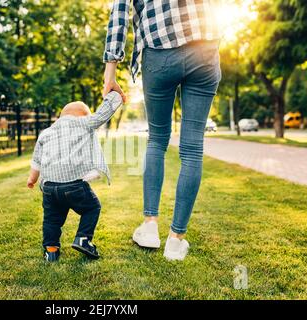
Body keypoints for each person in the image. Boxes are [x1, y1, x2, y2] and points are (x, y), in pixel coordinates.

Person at [103, 0, 221, 260]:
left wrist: (110, 72)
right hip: (204, 44)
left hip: (159, 49)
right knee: (192, 148)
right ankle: (176, 242)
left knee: (157, 141)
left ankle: (150, 227)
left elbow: (120, 13)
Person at [27, 92, 123, 262]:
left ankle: (51, 250)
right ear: (83, 116)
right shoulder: (84, 123)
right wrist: (115, 96)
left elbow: (36, 161)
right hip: (74, 186)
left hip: (49, 188)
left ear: (61, 116)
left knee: (51, 219)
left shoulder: (46, 133)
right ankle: (83, 238)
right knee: (92, 207)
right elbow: (102, 114)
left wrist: (32, 179)